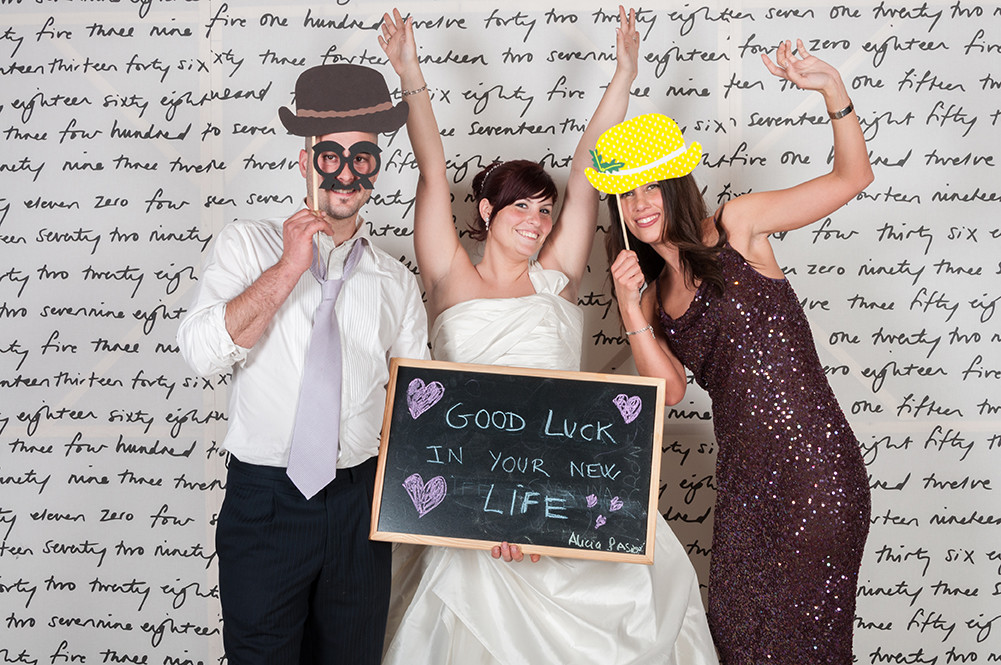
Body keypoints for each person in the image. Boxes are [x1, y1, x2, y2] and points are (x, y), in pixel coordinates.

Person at [378, 7, 719, 664]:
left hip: (564, 490)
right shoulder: (449, 275)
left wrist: (623, 76)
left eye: (544, 209)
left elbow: (588, 169)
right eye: (520, 207)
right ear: (486, 211)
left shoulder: (557, 277)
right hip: (473, 497)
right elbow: (430, 164)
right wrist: (410, 71)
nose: (536, 221)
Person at [593, 40, 873, 664]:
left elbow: (853, 178)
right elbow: (667, 392)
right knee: (737, 639)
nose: (641, 204)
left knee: (810, 641)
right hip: (746, 484)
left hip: (816, 472)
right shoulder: (655, 297)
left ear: (676, 186)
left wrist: (832, 91)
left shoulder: (739, 226)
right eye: (627, 192)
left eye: (653, 187)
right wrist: (627, 307)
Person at [176, 63, 428, 663]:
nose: (346, 171)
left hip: (359, 506)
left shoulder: (395, 284)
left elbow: (421, 409)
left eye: (362, 156)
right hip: (265, 503)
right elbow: (202, 352)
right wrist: (289, 267)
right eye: (331, 155)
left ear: (374, 169)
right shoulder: (246, 245)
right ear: (304, 161)